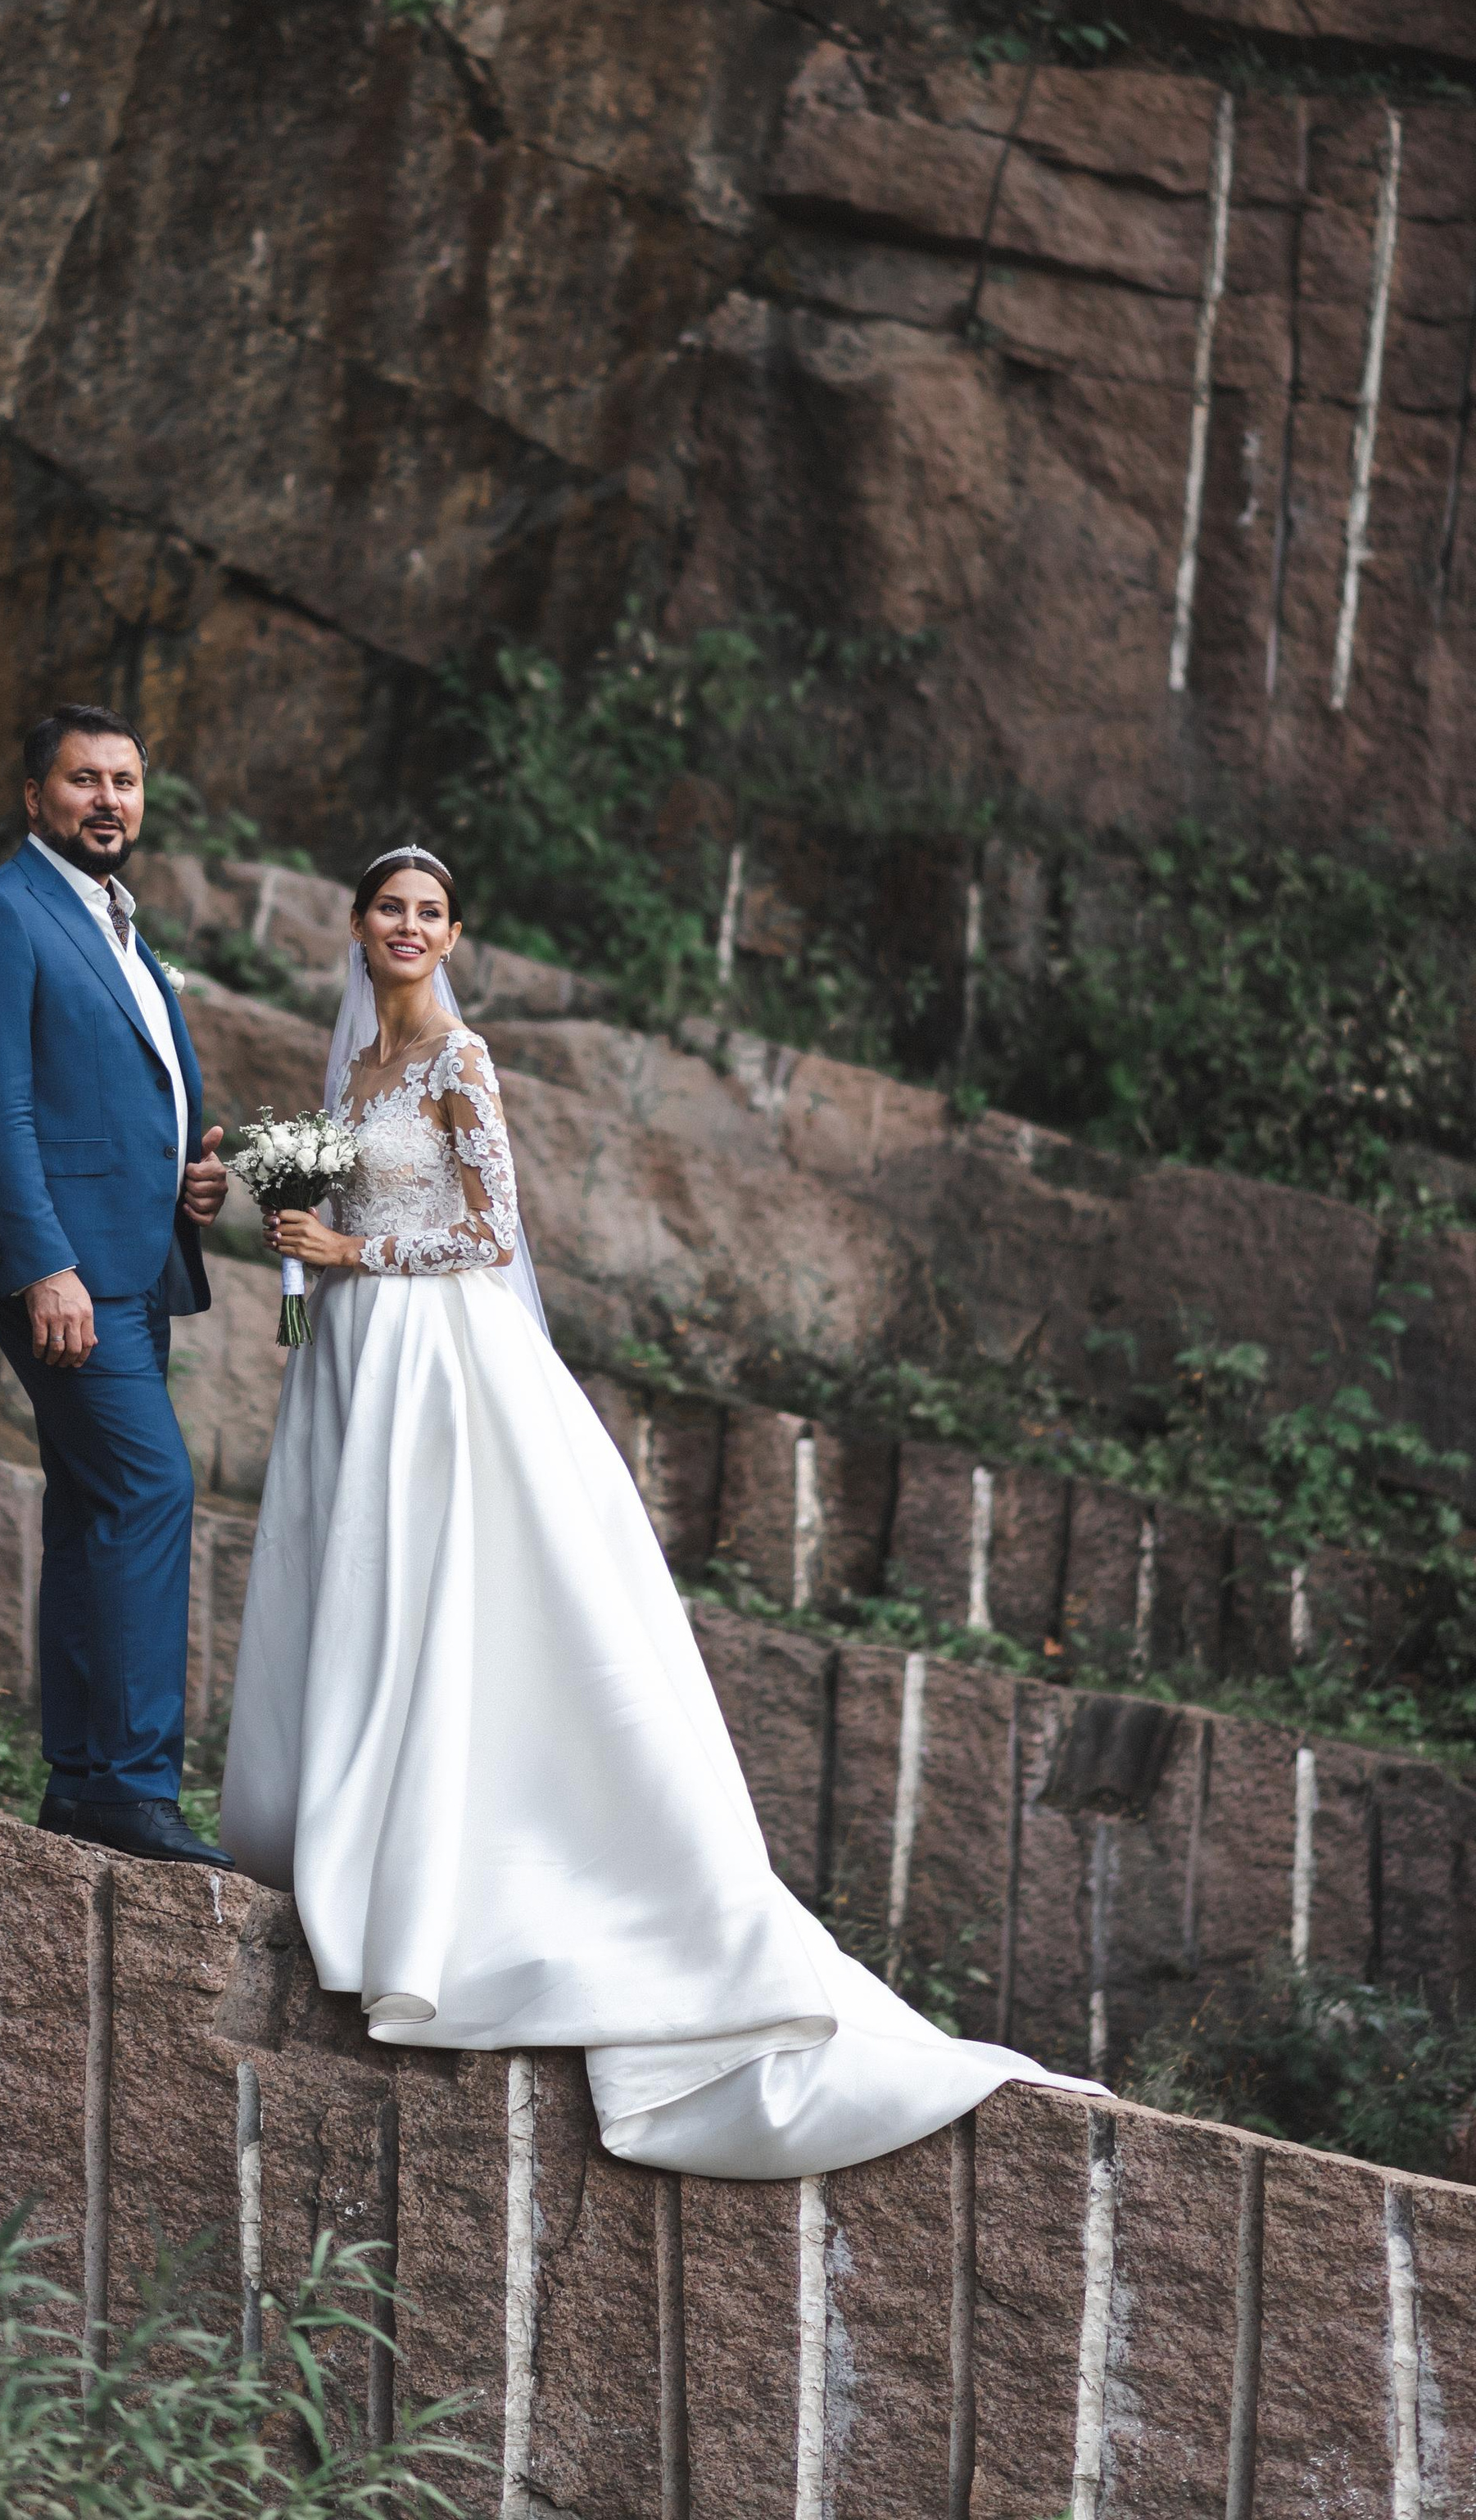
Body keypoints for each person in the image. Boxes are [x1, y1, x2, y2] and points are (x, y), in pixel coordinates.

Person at [220, 845, 1096, 2180]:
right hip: (355, 1356)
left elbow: (492, 1232)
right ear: (356, 925)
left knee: (452, 1591)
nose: (406, 928)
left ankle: (499, 1878)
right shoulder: (356, 1070)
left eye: (429, 913)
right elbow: (327, 1235)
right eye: (388, 910)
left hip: (444, 1361)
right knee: (362, 1582)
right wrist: (300, 1266)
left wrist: (353, 1251)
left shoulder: (461, 1058)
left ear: (455, 932)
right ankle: (365, 1821)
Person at [0, 704, 232, 1868]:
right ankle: (132, 1783)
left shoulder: (118, 926)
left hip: (132, 1256)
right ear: (32, 795)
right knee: (153, 1487)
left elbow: (117, 1086)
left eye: (126, 781)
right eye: (83, 780)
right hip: (66, 1269)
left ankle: (83, 1780)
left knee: (97, 1506)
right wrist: (44, 1261)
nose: (109, 799)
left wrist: (183, 1177)